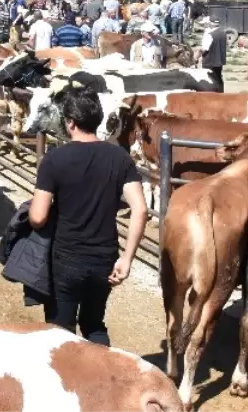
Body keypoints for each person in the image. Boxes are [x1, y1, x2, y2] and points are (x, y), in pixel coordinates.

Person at [29, 88, 147, 345]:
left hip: (66, 259)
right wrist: (127, 259)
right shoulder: (120, 158)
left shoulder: (54, 159)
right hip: (104, 259)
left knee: (61, 330)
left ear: (70, 122)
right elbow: (140, 209)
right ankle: (98, 381)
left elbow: (37, 218)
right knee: (94, 325)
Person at [199, 17, 228, 90]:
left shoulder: (210, 35)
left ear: (211, 23)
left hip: (209, 61)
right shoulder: (223, 33)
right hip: (219, 61)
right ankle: (221, 94)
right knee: (218, 78)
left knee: (209, 80)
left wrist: (198, 54)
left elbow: (205, 49)